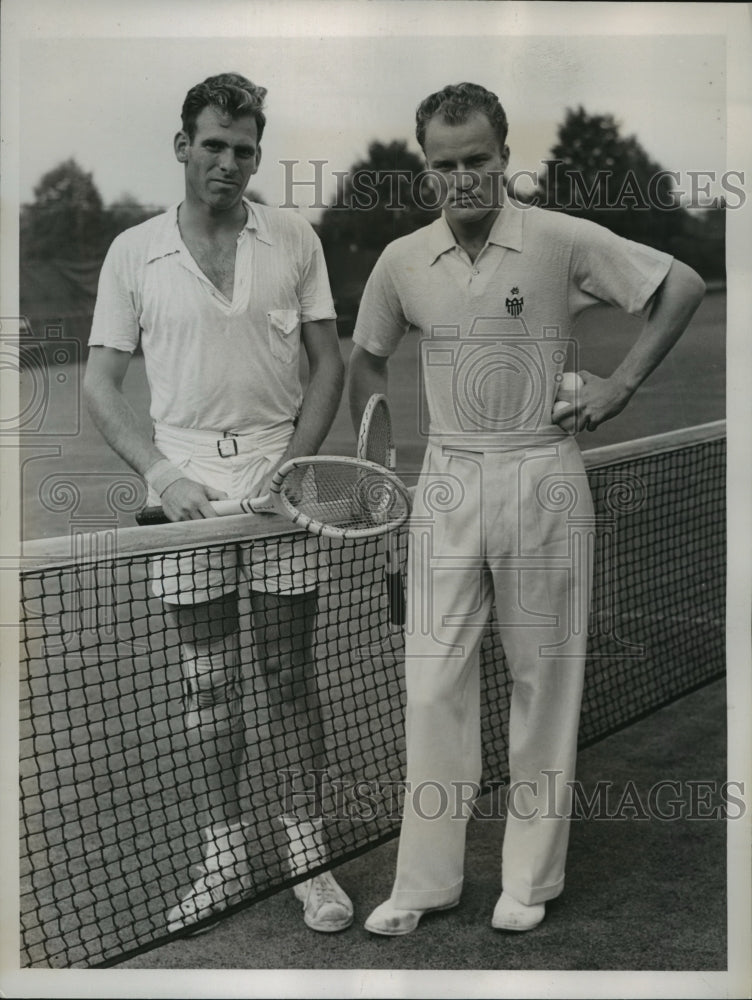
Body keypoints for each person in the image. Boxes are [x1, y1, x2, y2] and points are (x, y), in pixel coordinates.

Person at [348, 82, 705, 935]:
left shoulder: (558, 238)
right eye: (445, 166)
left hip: (543, 473)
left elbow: (681, 285)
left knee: (546, 684)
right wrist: (384, 456)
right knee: (431, 686)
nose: (462, 179)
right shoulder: (402, 260)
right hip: (443, 479)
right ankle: (426, 884)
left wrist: (619, 386)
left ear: (506, 157)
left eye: (478, 161)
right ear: (425, 169)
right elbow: (365, 358)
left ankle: (528, 883)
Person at [84, 73, 353, 935]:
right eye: (213, 145)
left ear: (256, 153)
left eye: (244, 148)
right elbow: (99, 383)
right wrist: (164, 476)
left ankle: (311, 858)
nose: (228, 162)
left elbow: (330, 367)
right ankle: (227, 854)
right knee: (209, 688)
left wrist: (295, 467)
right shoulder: (133, 252)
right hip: (188, 491)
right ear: (182, 147)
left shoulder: (294, 238)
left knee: (288, 676)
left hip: (279, 483)